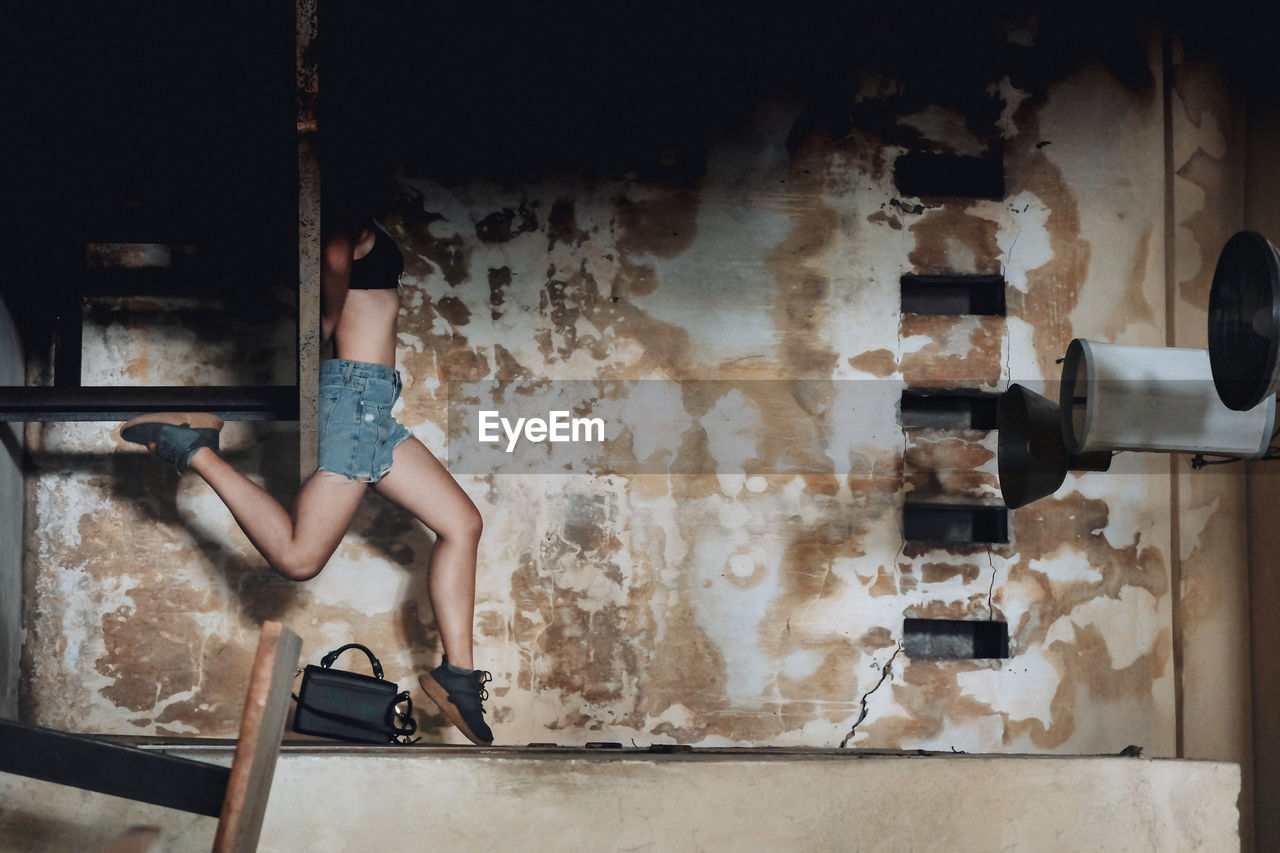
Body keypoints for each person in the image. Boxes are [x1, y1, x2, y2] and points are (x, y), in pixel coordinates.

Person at [117, 211, 494, 745]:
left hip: (374, 404)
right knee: (299, 558)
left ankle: (458, 674)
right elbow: (334, 258)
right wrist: (321, 335)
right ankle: (192, 450)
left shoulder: (346, 206)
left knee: (462, 522)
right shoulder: (336, 198)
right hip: (357, 397)